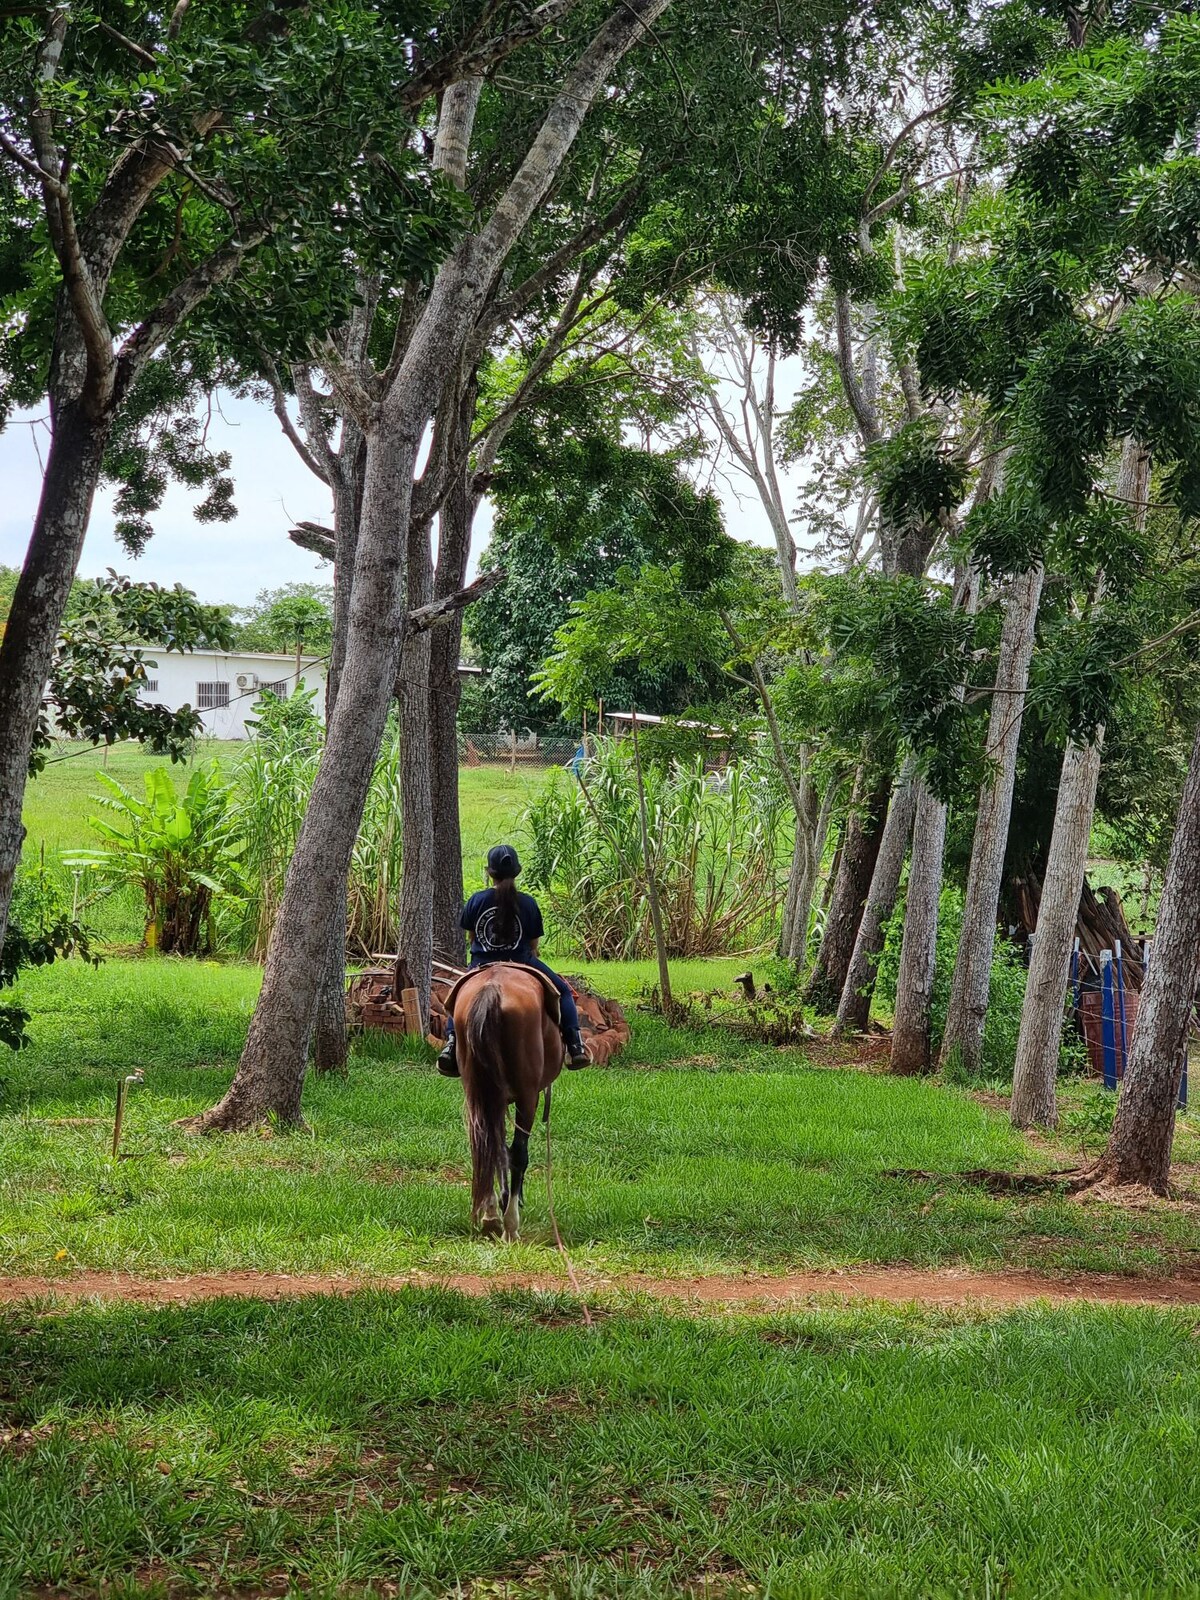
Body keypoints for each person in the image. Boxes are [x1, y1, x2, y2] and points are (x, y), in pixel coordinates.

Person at [438, 843, 589, 1076]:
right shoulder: (528, 903)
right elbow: (533, 945)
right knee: (564, 992)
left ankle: (451, 1044)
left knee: (456, 997)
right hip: (523, 962)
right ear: (517, 872)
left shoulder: (476, 901)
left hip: (481, 965)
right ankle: (575, 1045)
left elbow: (471, 937)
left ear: (490, 872)